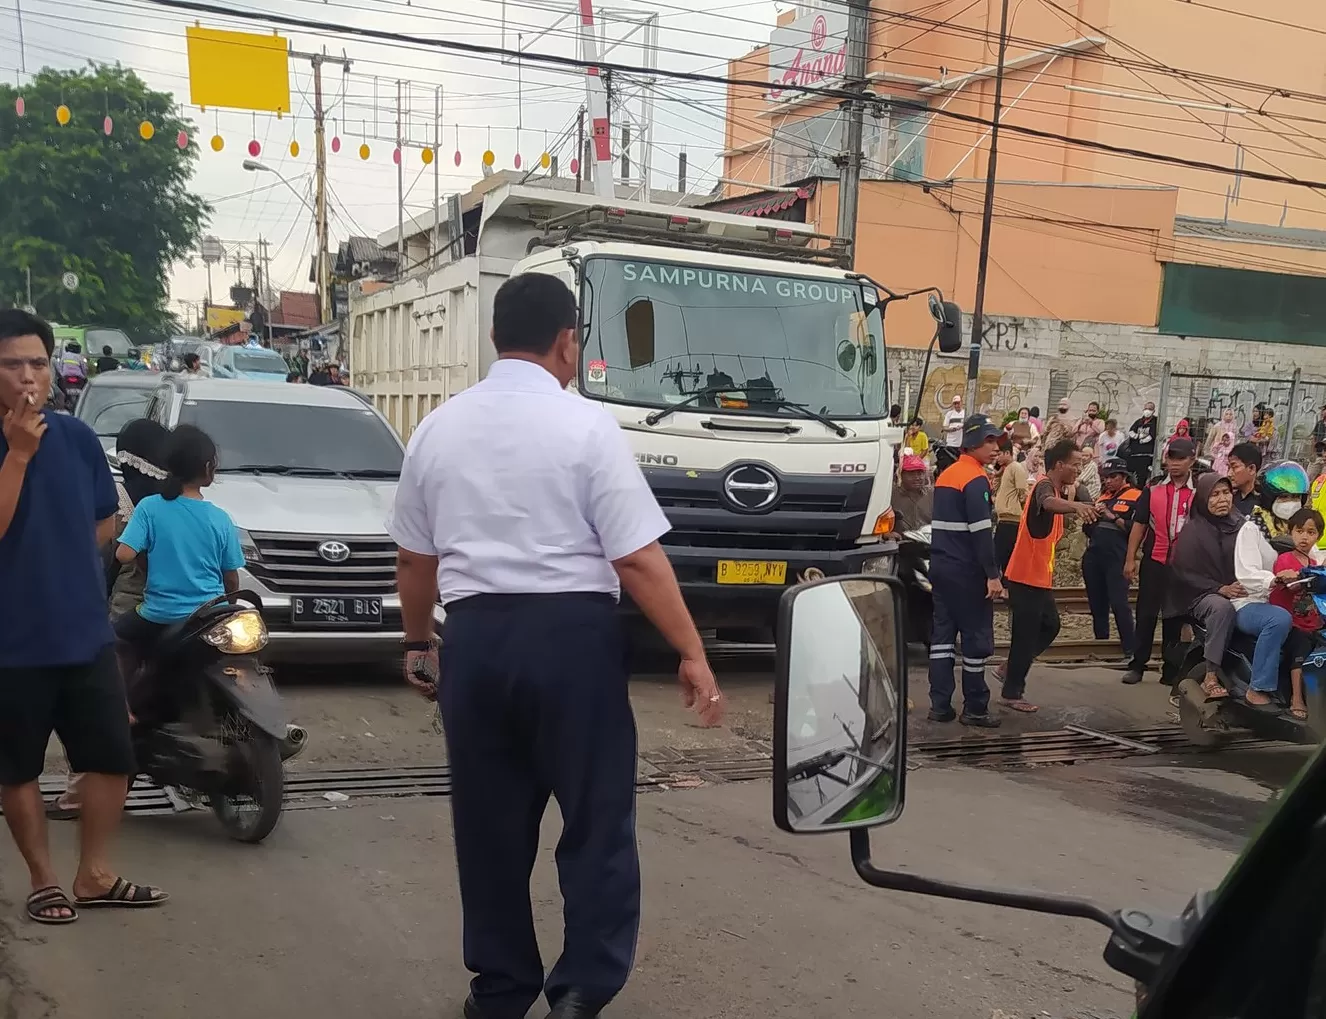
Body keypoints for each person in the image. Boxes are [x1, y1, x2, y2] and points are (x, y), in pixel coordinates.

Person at [387, 274, 723, 1019]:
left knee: (489, 828)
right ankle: (579, 988)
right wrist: (691, 650)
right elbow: (636, 557)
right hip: (574, 641)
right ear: (567, 342)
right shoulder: (587, 427)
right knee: (597, 820)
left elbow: (415, 560)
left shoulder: (438, 428)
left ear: (498, 337)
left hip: (475, 640)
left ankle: (500, 990)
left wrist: (419, 643)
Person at [0, 309, 166, 924]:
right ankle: (44, 878)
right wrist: (17, 456)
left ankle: (93, 873)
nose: (27, 376)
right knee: (16, 766)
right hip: (11, 642)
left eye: (37, 363)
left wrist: (63, 564)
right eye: (12, 363)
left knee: (112, 757)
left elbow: (104, 521)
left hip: (83, 632)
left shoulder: (75, 439)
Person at [51, 418, 171, 821]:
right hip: (183, 608)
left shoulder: (120, 499)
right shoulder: (181, 498)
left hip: (128, 606)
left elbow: (108, 559)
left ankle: (78, 794)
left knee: (99, 699)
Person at [113, 426, 245, 705]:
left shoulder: (149, 508)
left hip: (158, 615)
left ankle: (122, 709)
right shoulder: (220, 518)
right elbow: (231, 580)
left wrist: (145, 553)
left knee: (113, 639)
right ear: (209, 468)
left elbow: (124, 555)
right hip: (210, 617)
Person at [1000, 439, 1099, 712]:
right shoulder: (1045, 485)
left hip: (1038, 577)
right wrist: (1076, 507)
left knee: (1050, 626)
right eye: (1076, 465)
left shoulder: (1056, 486)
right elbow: (1048, 502)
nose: (1079, 470)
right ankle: (1012, 691)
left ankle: (1010, 668)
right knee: (1025, 634)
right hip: (1025, 576)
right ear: (1059, 465)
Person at [926, 414, 1005, 728]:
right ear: (971, 442)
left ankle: (940, 706)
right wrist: (992, 574)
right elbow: (981, 532)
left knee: (942, 640)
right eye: (988, 440)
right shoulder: (975, 479)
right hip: (967, 573)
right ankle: (975, 708)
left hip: (942, 568)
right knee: (974, 641)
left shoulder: (947, 475)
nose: (995, 446)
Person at [1121, 437, 1198, 686]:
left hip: (1184, 565)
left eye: (1180, 458)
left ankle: (1171, 669)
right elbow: (1140, 525)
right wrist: (1130, 558)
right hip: (1154, 560)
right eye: (1171, 458)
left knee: (1174, 617)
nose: (1174, 464)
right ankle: (1137, 665)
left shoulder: (1200, 490)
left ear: (1192, 460)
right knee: (1145, 615)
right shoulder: (1153, 488)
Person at [1230, 462, 1307, 709]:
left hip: (1291, 601)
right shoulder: (1252, 528)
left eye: (1296, 497)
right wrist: (1274, 579)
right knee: (1279, 619)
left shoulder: (1299, 530)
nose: (1291, 502)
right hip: (1252, 603)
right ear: (1270, 496)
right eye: (1284, 496)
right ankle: (1258, 687)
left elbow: (1316, 556)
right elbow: (1247, 573)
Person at [1164, 474, 1246, 703]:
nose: (1222, 499)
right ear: (1203, 499)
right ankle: (1210, 676)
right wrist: (1220, 588)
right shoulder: (1193, 531)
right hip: (1200, 594)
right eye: (1215, 494)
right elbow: (1185, 573)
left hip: (1239, 589)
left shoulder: (1242, 525)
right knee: (1222, 608)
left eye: (1226, 493)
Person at [1269, 507, 1325, 721]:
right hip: (1290, 622)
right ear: (1291, 532)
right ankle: (1297, 699)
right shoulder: (1285, 560)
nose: (1305, 537)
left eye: (1311, 532)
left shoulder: (1314, 564)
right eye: (1300, 530)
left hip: (1313, 621)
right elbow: (1291, 585)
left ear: (1318, 536)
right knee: (1301, 646)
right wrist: (1292, 577)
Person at [1083, 458, 1140, 658]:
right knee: (1097, 604)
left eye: (1113, 477)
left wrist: (1112, 516)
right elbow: (1089, 531)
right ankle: (1101, 644)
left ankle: (1130, 648)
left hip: (1118, 556)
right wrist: (1091, 518)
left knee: (1119, 603)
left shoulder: (1136, 496)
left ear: (1124, 477)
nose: (1108, 481)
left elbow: (1136, 529)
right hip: (1094, 555)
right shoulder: (1102, 497)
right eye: (1105, 478)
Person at [994, 436, 1031, 573]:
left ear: (1007, 453)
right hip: (1003, 519)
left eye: (999, 454)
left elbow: (1023, 492)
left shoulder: (1016, 468)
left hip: (1011, 520)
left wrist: (1018, 506)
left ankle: (1006, 588)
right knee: (999, 556)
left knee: (1005, 557)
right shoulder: (1006, 469)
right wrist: (998, 474)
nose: (996, 457)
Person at [892, 454, 932, 532]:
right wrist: (886, 534)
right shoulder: (890, 496)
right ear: (901, 475)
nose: (917, 478)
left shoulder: (932, 495)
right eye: (911, 474)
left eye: (920, 474)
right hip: (900, 541)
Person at [1227, 442, 1262, 518]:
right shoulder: (1228, 497)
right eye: (1228, 468)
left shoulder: (1264, 501)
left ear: (1251, 469)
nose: (1229, 474)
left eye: (1234, 467)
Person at [1126, 402, 1159, 482]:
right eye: (1146, 408)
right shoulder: (1139, 422)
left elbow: (1152, 436)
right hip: (1135, 453)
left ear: (1154, 411)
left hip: (1147, 454)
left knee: (1142, 475)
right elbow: (1131, 431)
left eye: (1150, 409)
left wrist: (1141, 439)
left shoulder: (1155, 422)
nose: (1147, 411)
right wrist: (1137, 437)